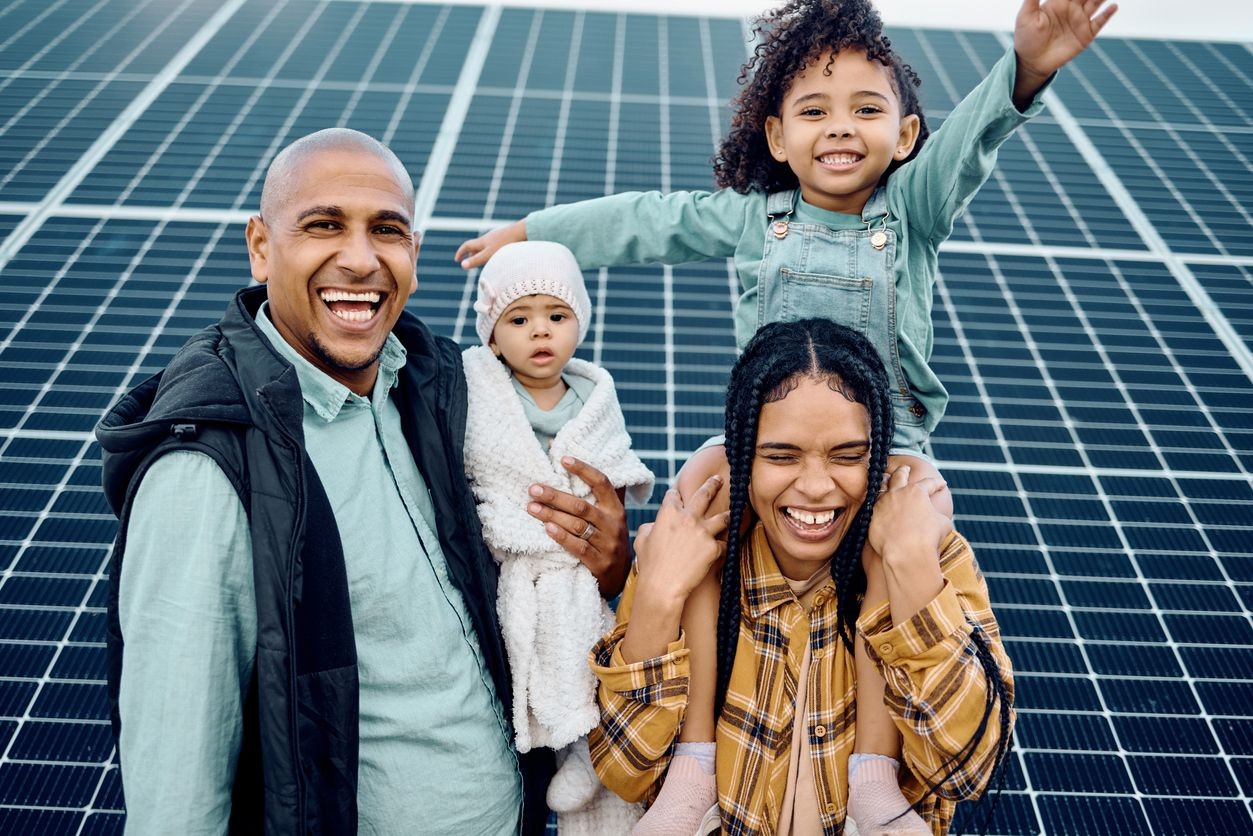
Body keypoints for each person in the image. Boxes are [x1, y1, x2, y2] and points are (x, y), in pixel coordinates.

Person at [455, 0, 1113, 830]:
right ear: (774, 137)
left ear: (905, 136)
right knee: (692, 520)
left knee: (893, 560)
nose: (840, 128)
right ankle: (692, 762)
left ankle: (873, 777)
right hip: (754, 448)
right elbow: (644, 220)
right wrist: (532, 231)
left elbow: (971, 143)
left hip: (890, 450)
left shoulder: (908, 214)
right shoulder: (752, 222)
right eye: (813, 111)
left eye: (866, 110)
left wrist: (1027, 69)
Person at [95, 128, 631, 834]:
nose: (359, 258)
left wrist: (607, 563)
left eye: (387, 230)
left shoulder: (445, 392)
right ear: (261, 245)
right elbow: (177, 786)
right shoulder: (210, 463)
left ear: (411, 252)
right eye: (323, 226)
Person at [588, 318, 1015, 836]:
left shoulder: (930, 558)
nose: (815, 487)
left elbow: (966, 769)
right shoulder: (683, 560)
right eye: (781, 455)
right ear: (742, 457)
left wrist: (913, 572)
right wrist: (656, 597)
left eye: (848, 455)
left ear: (878, 458)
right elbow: (622, 771)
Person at [462, 240, 654, 833]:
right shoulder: (482, 393)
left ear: (579, 324)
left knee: (587, 649)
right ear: (493, 336)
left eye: (557, 316)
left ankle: (587, 750)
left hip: (574, 572)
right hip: (518, 561)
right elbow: (482, 466)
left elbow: (611, 472)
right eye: (518, 320)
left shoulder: (594, 397)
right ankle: (552, 747)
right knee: (526, 653)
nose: (539, 331)